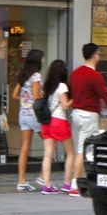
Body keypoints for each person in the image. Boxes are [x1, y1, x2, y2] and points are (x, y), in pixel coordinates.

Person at [69, 43, 107, 197]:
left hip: (76, 114)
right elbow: (106, 96)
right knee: (82, 150)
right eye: (98, 54)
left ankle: (85, 178)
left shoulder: (75, 73)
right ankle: (75, 184)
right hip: (88, 115)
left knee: (83, 147)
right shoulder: (94, 76)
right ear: (95, 54)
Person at [39, 60, 74, 195]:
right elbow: (65, 105)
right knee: (70, 152)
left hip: (46, 123)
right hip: (59, 121)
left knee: (47, 154)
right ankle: (67, 183)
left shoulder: (47, 87)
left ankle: (47, 185)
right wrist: (75, 99)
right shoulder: (62, 86)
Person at [12, 49, 44, 191]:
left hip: (23, 114)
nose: (43, 60)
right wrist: (43, 96)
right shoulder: (36, 76)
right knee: (51, 144)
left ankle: (21, 181)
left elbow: (14, 94)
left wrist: (25, 100)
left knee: (24, 148)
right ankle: (43, 177)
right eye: (42, 58)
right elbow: (37, 96)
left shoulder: (23, 75)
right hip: (34, 115)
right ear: (37, 60)